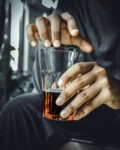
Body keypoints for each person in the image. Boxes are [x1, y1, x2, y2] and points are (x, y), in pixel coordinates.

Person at [0, 0, 120, 149]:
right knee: (18, 109)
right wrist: (51, 45)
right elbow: (43, 92)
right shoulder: (73, 6)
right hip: (86, 110)